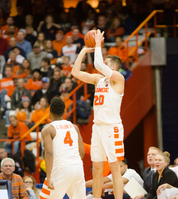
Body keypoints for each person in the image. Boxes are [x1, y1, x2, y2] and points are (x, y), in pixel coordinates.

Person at [71, 29, 125, 199]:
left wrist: (98, 45)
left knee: (115, 168)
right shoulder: (98, 80)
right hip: (98, 128)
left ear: (113, 67)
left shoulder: (118, 80)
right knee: (97, 169)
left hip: (112, 128)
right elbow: (75, 73)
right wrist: (84, 51)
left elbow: (98, 65)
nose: (103, 63)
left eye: (106, 62)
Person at [39, 97, 85, 199]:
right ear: (64, 111)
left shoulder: (48, 129)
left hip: (60, 168)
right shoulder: (74, 127)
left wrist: (49, 176)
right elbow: (82, 152)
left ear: (49, 112)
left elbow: (49, 153)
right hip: (78, 167)